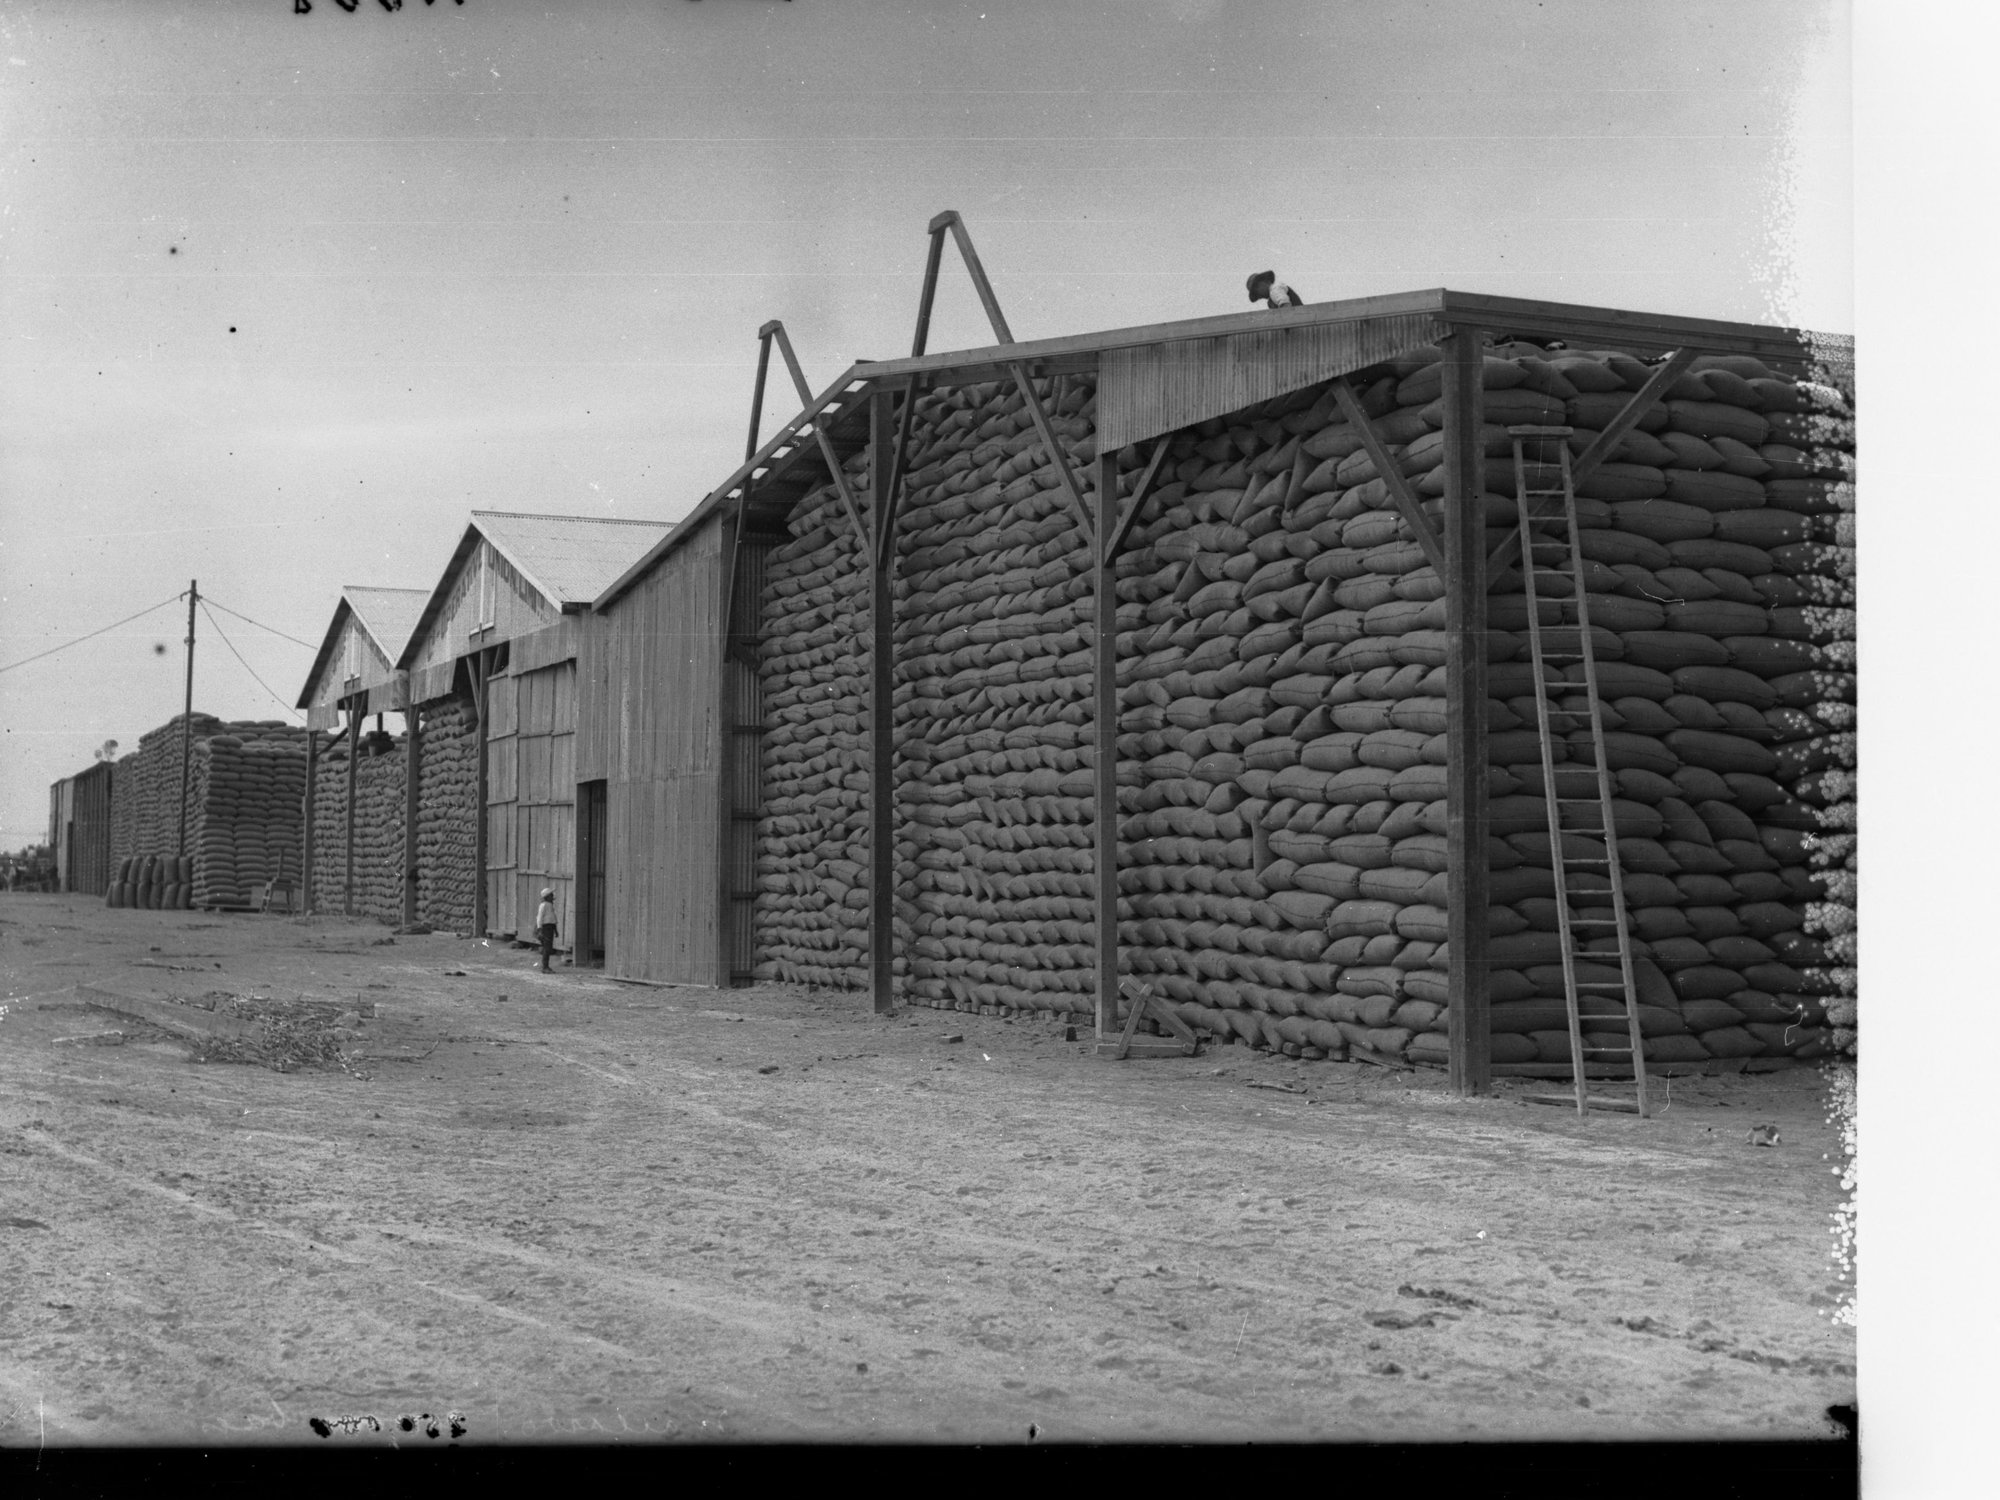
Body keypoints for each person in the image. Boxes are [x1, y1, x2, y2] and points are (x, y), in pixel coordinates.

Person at [536, 887, 558, 973]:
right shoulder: (544, 905)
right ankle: (545, 967)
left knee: (548, 947)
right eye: (551, 895)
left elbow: (553, 918)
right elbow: (539, 917)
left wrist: (555, 929)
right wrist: (539, 929)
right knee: (547, 948)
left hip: (550, 927)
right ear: (547, 896)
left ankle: (546, 966)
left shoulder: (550, 905)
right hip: (545, 928)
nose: (552, 896)